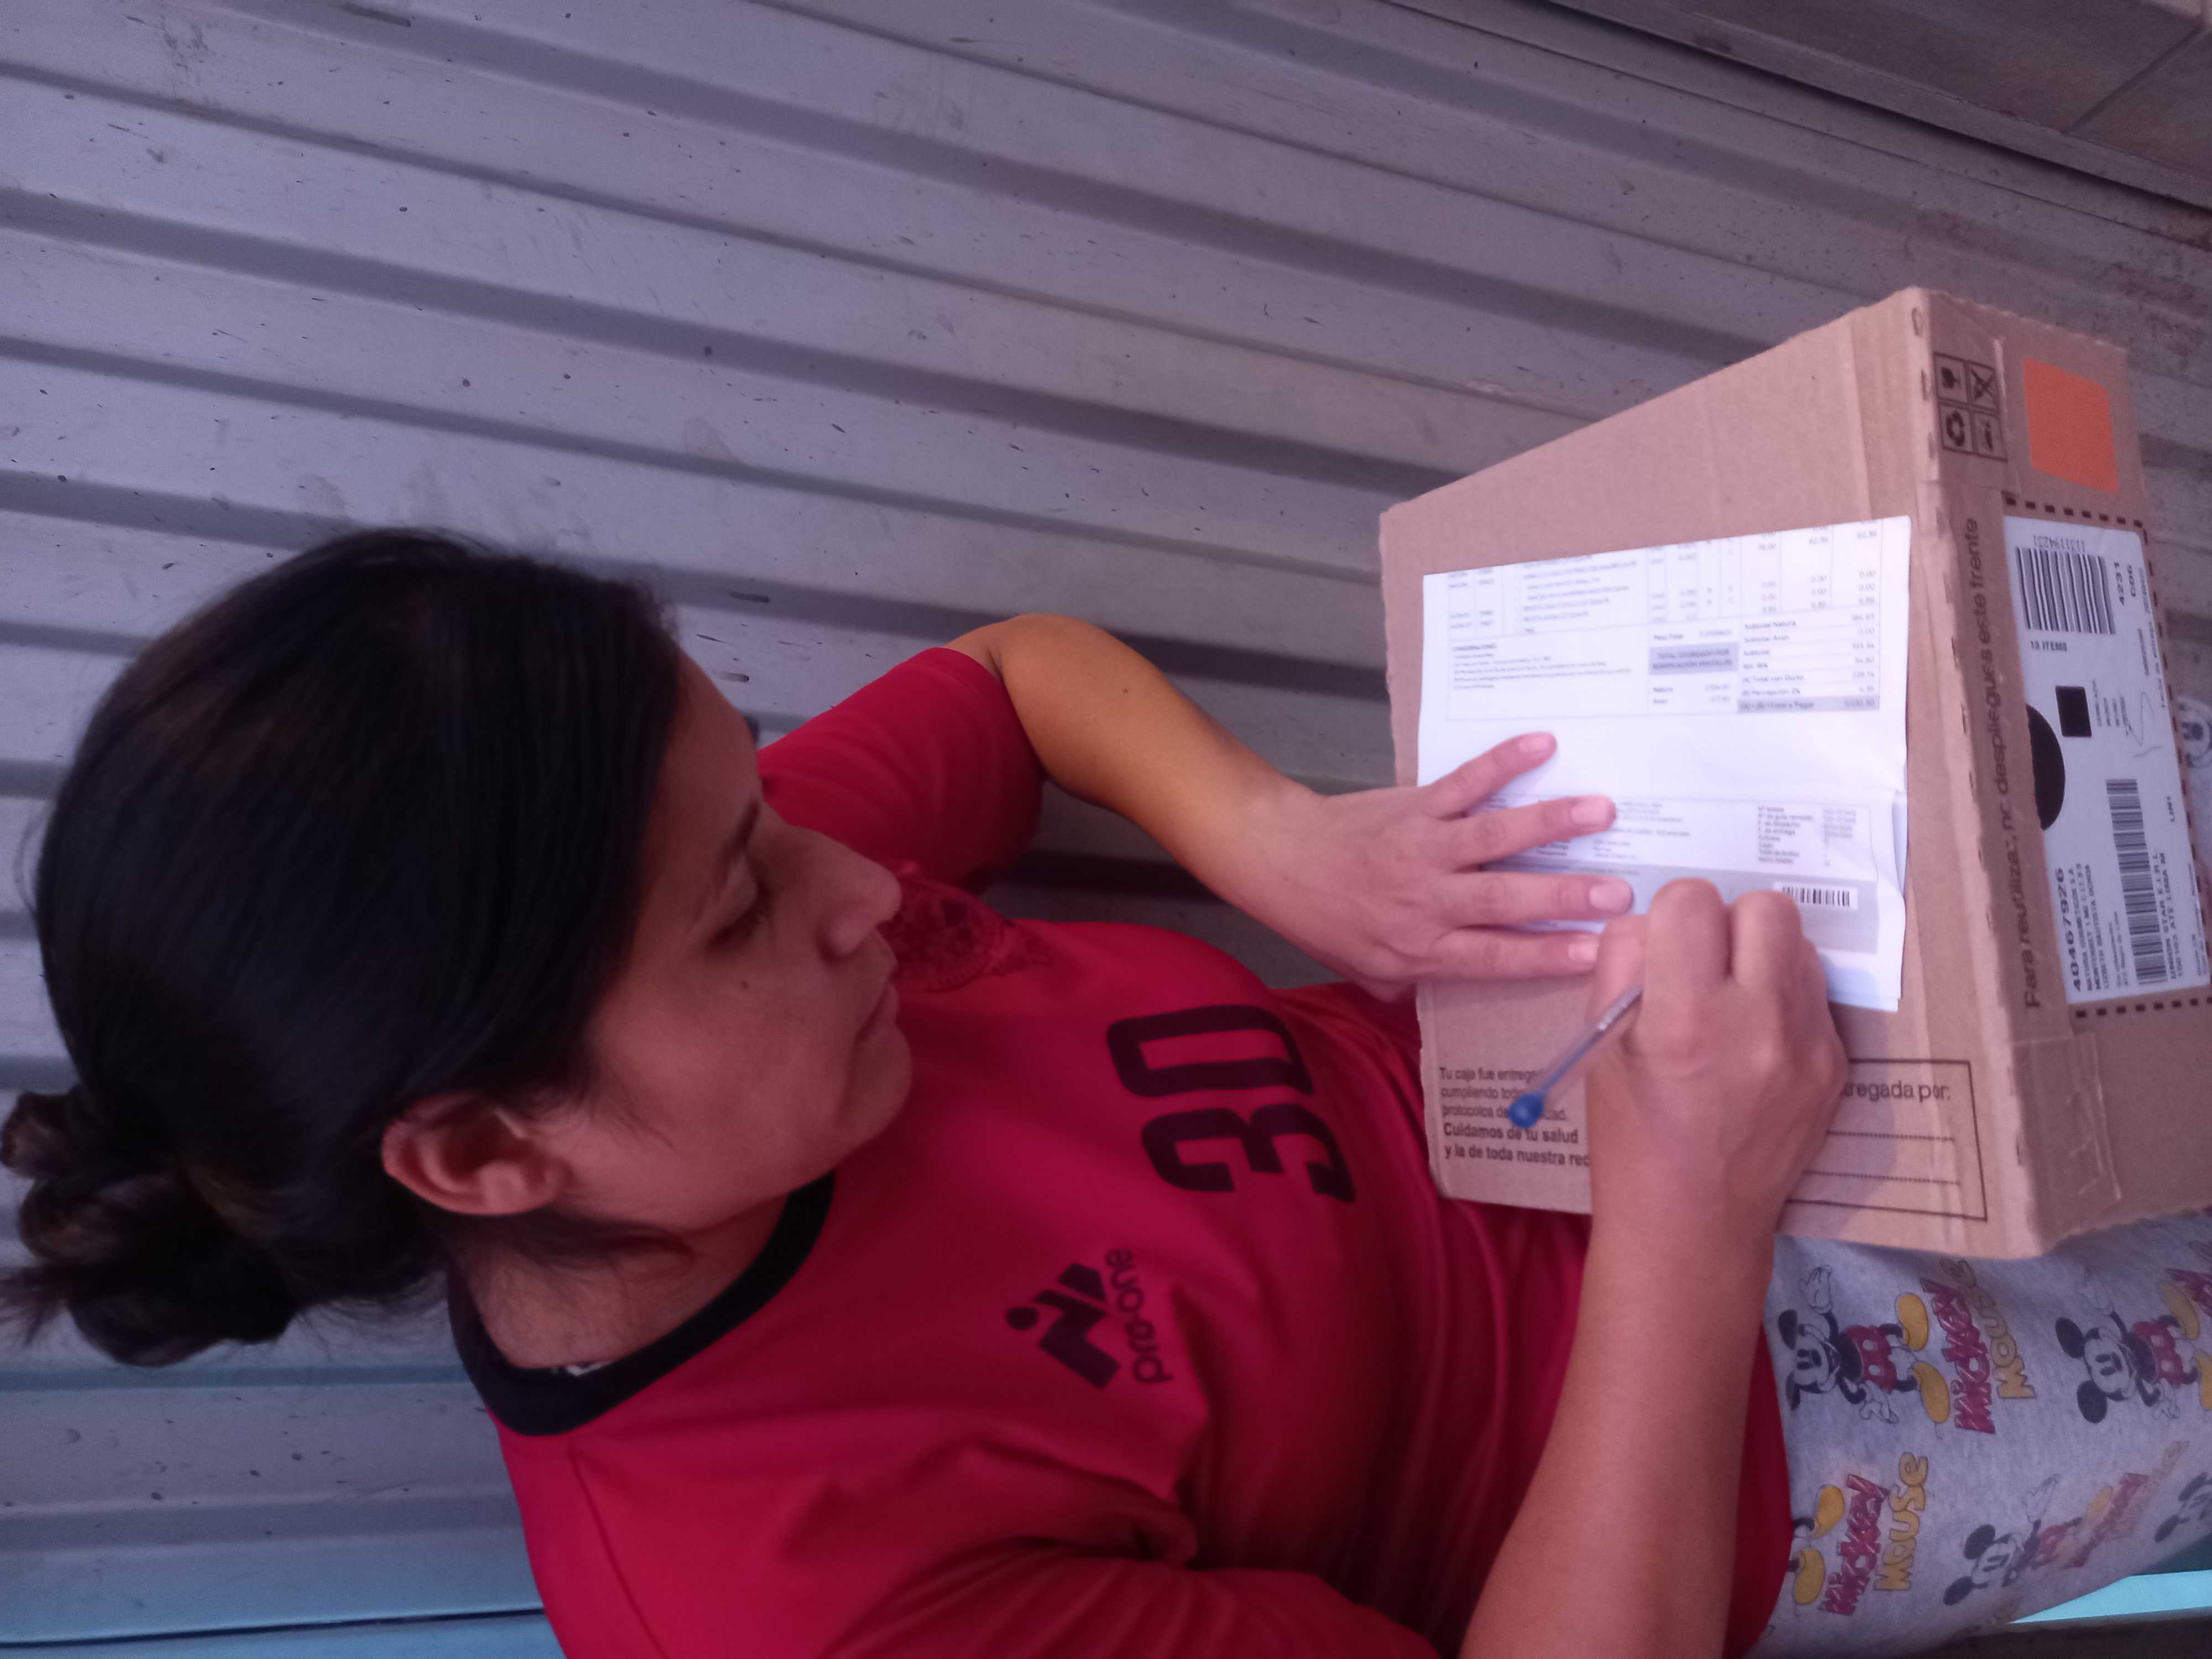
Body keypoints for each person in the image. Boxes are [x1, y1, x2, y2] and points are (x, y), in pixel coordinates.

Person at [6, 532, 2208, 1658]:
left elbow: (1013, 680)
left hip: (1601, 1066)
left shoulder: (701, 905)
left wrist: (1276, 843)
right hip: (1752, 1443)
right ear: (491, 1150)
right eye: (747, 901)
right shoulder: (792, 1596)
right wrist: (1690, 1228)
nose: (868, 888)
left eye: (768, 802)